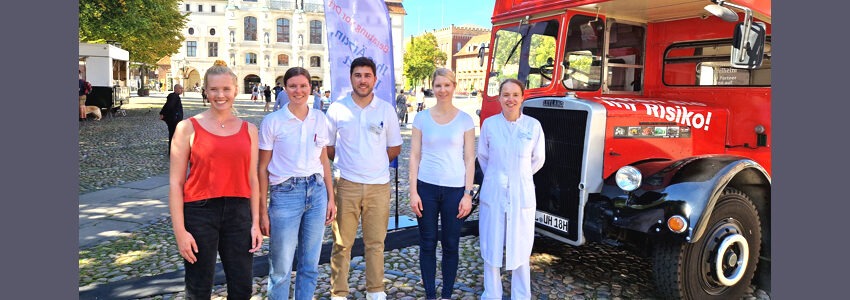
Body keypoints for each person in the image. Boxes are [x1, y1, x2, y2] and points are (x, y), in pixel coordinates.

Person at [167, 61, 263, 299]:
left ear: (235, 90)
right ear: (206, 91)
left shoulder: (249, 129)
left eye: (226, 89)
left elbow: (253, 179)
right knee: (199, 288)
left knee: (242, 288)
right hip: (200, 212)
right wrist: (180, 231)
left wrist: (255, 222)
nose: (220, 95)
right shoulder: (186, 128)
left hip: (239, 212)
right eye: (214, 90)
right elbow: (175, 184)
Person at [326, 56, 403, 300]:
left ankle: (375, 290)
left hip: (378, 186)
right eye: (358, 75)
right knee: (341, 243)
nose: (362, 80)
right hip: (346, 184)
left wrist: (374, 162)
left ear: (375, 79)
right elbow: (328, 147)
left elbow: (394, 147)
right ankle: (338, 292)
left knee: (375, 243)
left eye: (367, 75)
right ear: (350, 78)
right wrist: (349, 162)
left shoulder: (385, 109)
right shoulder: (337, 108)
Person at [259, 67, 338, 300]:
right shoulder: (273, 121)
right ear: (285, 89)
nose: (298, 91)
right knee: (281, 267)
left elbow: (324, 160)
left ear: (311, 88)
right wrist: (263, 210)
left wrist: (331, 198)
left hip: (316, 191)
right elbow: (262, 168)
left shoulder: (319, 118)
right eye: (293, 86)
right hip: (285, 193)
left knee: (310, 263)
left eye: (303, 86)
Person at [408, 68, 475, 300]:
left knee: (450, 244)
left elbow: (469, 159)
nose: (442, 90)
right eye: (438, 85)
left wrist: (468, 194)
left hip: (455, 191)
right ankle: (430, 295)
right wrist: (413, 192)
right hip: (426, 187)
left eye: (447, 85)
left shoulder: (465, 120)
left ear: (453, 86)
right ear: (433, 88)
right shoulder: (421, 118)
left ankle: (446, 294)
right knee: (427, 244)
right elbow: (414, 156)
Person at [477, 78, 546, 300]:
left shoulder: (533, 126)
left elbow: (538, 160)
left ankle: (521, 294)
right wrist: (499, 178)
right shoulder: (489, 124)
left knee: (521, 244)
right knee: (491, 242)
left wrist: (520, 177)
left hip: (521, 193)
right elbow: (484, 157)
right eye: (506, 95)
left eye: (515, 94)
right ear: (499, 98)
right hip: (494, 191)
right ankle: (492, 293)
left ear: (522, 97)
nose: (510, 99)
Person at [160, 84, 184, 154]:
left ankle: (173, 150)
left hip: (174, 119)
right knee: (173, 134)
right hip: (173, 119)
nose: (182, 90)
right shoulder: (174, 97)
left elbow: (167, 105)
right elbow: (169, 106)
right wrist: (163, 114)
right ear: (176, 89)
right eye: (180, 89)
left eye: (182, 89)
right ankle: (173, 150)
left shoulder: (175, 97)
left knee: (174, 134)